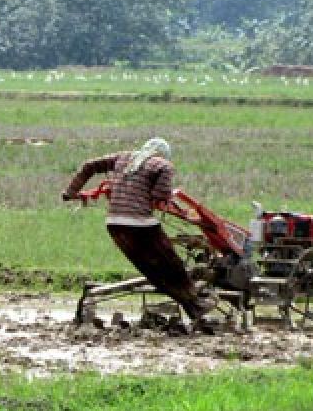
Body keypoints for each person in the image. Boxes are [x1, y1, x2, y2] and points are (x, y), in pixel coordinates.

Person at [62, 137, 211, 325]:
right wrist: (159, 196)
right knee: (173, 266)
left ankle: (194, 309)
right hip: (140, 224)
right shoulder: (163, 164)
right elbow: (160, 195)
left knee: (153, 272)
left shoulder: (123, 158)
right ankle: (196, 304)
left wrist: (71, 192)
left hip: (115, 223)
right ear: (163, 154)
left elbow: (89, 165)